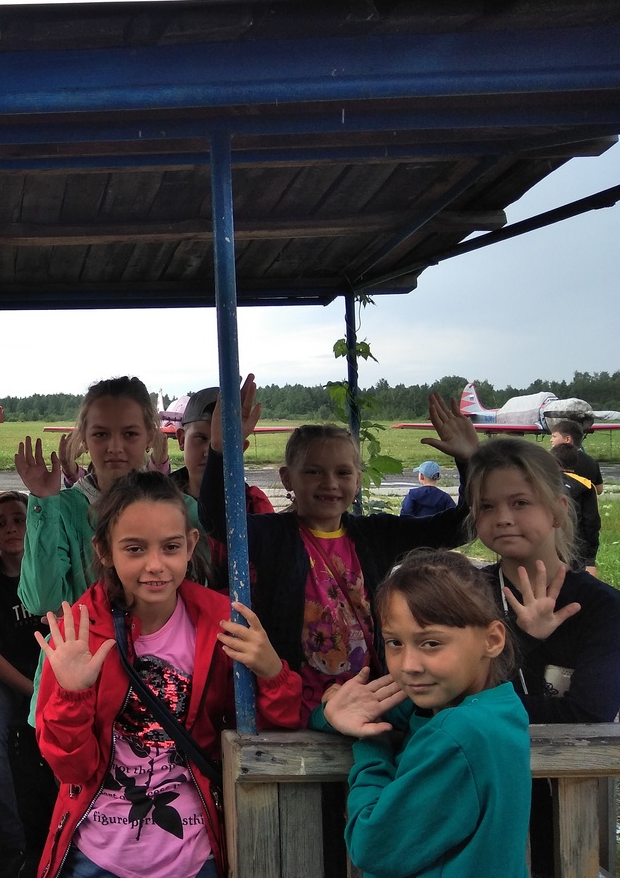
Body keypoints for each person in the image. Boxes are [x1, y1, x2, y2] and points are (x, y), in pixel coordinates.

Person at [35, 471, 302, 878]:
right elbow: (72, 770)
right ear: (104, 550)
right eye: (135, 549)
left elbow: (271, 728)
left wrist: (271, 672)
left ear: (191, 545)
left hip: (195, 855)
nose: (155, 565)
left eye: (171, 547)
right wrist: (71, 696)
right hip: (99, 856)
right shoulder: (79, 635)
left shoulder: (222, 624)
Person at [201, 376, 479, 720]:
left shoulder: (375, 535)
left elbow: (458, 527)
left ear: (357, 481)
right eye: (314, 472)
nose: (330, 483)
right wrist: (221, 450)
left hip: (370, 701)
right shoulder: (272, 535)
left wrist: (470, 460)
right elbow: (217, 519)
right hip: (299, 707)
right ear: (288, 479)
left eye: (343, 473)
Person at [312, 549, 528, 878]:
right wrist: (333, 712)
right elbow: (345, 716)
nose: (409, 666)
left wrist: (369, 740)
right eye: (395, 643)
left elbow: (372, 846)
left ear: (492, 640)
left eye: (431, 644)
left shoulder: (459, 733)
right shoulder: (498, 710)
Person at [466, 438, 620, 876]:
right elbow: (442, 697)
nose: (503, 517)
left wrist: (476, 706)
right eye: (487, 506)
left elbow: (588, 713)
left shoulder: (602, 608)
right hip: (477, 799)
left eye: (520, 502)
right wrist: (524, 638)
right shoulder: (463, 597)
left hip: (566, 807)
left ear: (557, 510)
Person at [15, 376, 205, 618]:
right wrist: (43, 501)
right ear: (84, 439)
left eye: (130, 434)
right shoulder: (61, 510)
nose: (115, 446)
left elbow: (199, 591)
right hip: (85, 642)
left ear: (149, 436)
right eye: (101, 434)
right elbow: (42, 601)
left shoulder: (183, 509)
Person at [0, 491, 54, 878]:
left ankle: (66, 828)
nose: (11, 528)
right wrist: (34, 691)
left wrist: (50, 686)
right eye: (0, 523)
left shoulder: (51, 567)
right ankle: (12, 841)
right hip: (7, 674)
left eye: (19, 519)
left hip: (53, 668)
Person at [169, 386, 274, 587]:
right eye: (201, 438)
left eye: (224, 442)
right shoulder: (157, 499)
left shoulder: (253, 504)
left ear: (241, 448)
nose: (209, 451)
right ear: (181, 439)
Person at [549, 442, 600, 573]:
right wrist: (591, 554)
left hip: (550, 541)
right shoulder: (586, 485)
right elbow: (591, 521)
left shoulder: (546, 482)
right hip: (577, 544)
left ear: (554, 462)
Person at [550, 419, 602, 496]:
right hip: (585, 502)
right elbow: (599, 490)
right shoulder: (592, 462)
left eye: (554, 436)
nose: (551, 440)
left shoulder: (552, 459)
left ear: (567, 439)